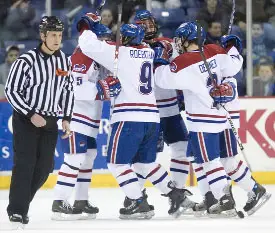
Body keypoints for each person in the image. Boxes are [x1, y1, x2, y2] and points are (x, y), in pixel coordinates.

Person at [78, 15, 192, 219]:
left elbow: (87, 45)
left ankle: (138, 202)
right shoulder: (148, 52)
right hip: (152, 117)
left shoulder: (118, 53)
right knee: (144, 164)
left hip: (128, 116)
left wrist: (88, 26)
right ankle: (175, 194)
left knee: (116, 163)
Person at [153, 22, 244, 217]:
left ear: (187, 40)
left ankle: (225, 199)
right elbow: (235, 63)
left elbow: (161, 78)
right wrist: (233, 46)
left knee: (209, 161)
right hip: (217, 114)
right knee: (204, 159)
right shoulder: (215, 51)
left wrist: (160, 60)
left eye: (180, 39)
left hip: (201, 119)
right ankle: (215, 197)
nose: (178, 43)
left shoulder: (184, 61)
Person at [4, 16, 74, 229]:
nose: (56, 39)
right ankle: (17, 211)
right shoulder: (26, 61)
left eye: (59, 35)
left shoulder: (64, 60)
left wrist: (67, 118)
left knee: (44, 168)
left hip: (51, 121)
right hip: (27, 120)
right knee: (25, 165)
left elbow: (68, 90)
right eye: (52, 35)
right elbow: (11, 91)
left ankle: (21, 204)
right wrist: (30, 113)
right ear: (43, 35)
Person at [52, 18, 114, 221]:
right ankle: (59, 202)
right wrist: (104, 88)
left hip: (88, 118)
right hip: (74, 116)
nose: (105, 42)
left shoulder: (97, 58)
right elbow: (77, 88)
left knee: (88, 156)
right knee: (74, 158)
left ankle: (80, 200)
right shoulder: (81, 56)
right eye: (102, 38)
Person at [134, 9, 195, 212]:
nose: (148, 28)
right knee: (145, 157)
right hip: (149, 110)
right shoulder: (132, 48)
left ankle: (177, 194)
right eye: (143, 25)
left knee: (182, 148)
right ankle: (135, 196)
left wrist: (182, 92)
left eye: (150, 23)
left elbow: (184, 65)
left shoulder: (167, 44)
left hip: (170, 108)